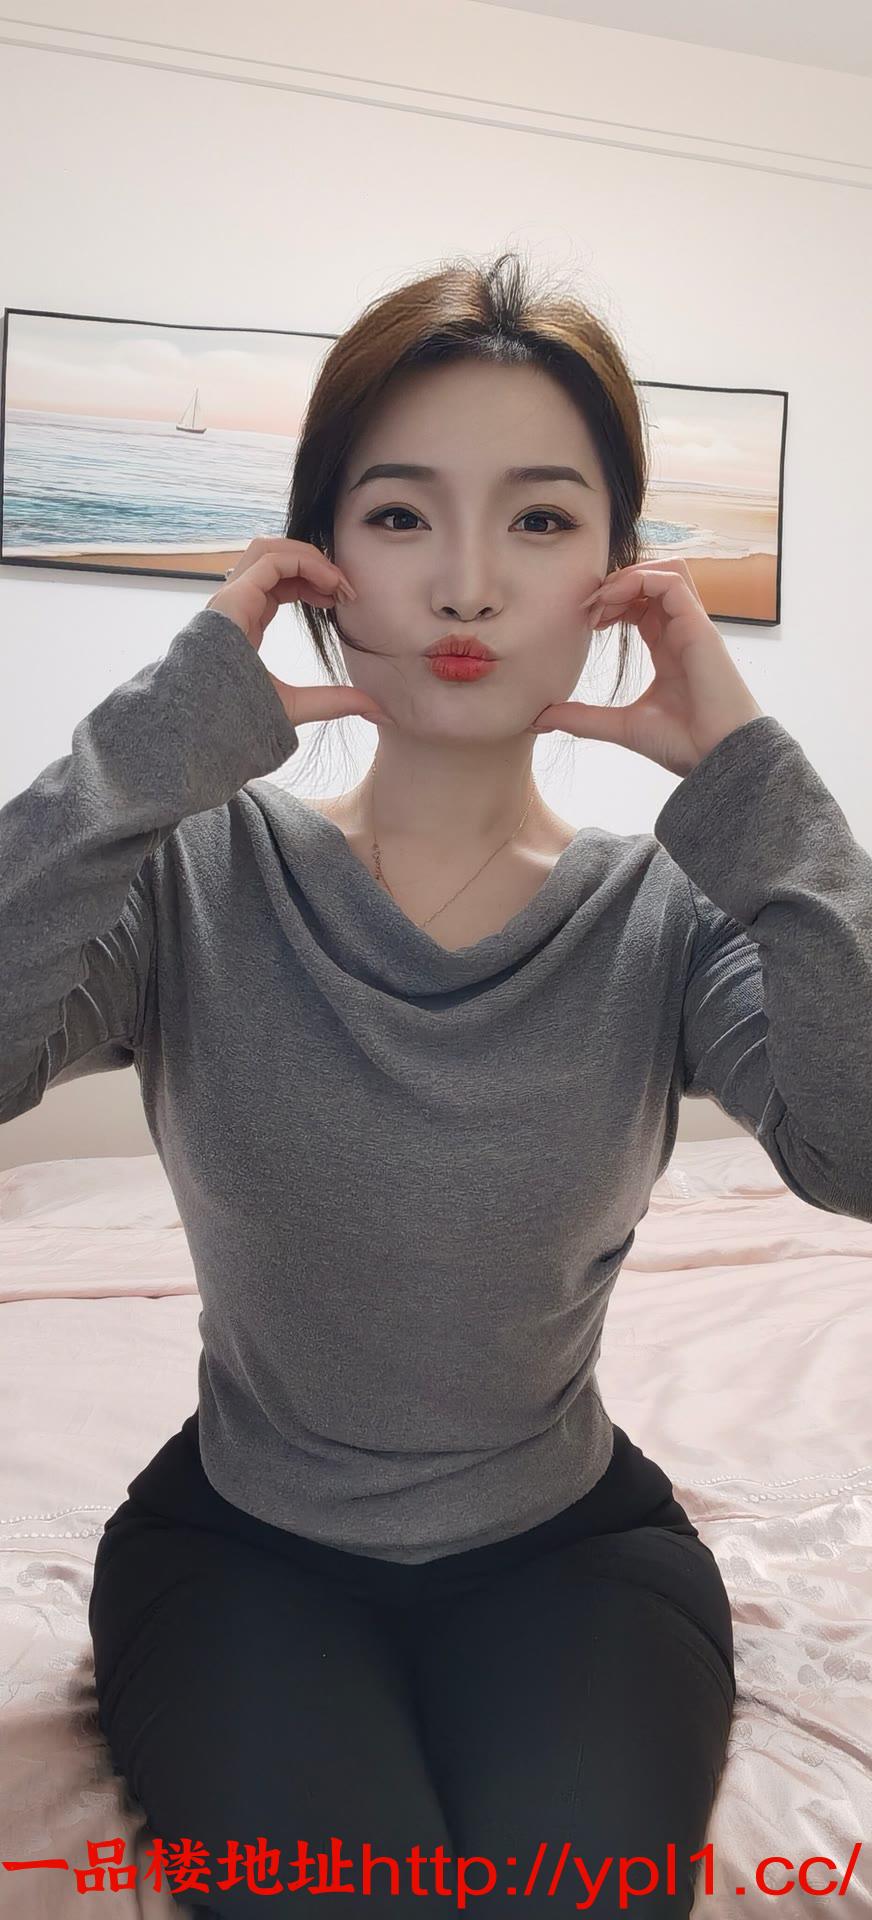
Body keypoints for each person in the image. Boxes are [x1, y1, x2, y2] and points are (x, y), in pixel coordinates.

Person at [23, 246, 867, 1917]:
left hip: (574, 1553)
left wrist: (758, 788)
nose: (469, 586)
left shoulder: (669, 914)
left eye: (541, 520)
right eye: (402, 515)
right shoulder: (194, 879)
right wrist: (154, 745)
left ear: (619, 580)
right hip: (238, 1550)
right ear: (317, 565)